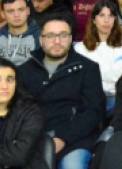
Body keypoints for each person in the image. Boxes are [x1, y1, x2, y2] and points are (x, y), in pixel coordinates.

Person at [18, 12, 105, 169]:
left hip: (75, 139)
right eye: (50, 36)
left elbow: (93, 112)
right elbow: (19, 111)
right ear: (41, 39)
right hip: (34, 138)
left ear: (71, 38)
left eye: (63, 35)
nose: (57, 41)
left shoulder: (88, 68)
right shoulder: (24, 71)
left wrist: (63, 138)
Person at [74, 0, 122, 114]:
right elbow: (85, 81)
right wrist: (120, 70)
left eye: (111, 16)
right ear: (94, 19)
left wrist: (98, 73)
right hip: (93, 100)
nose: (106, 20)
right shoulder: (80, 48)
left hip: (121, 98)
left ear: (115, 19)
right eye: (102, 15)